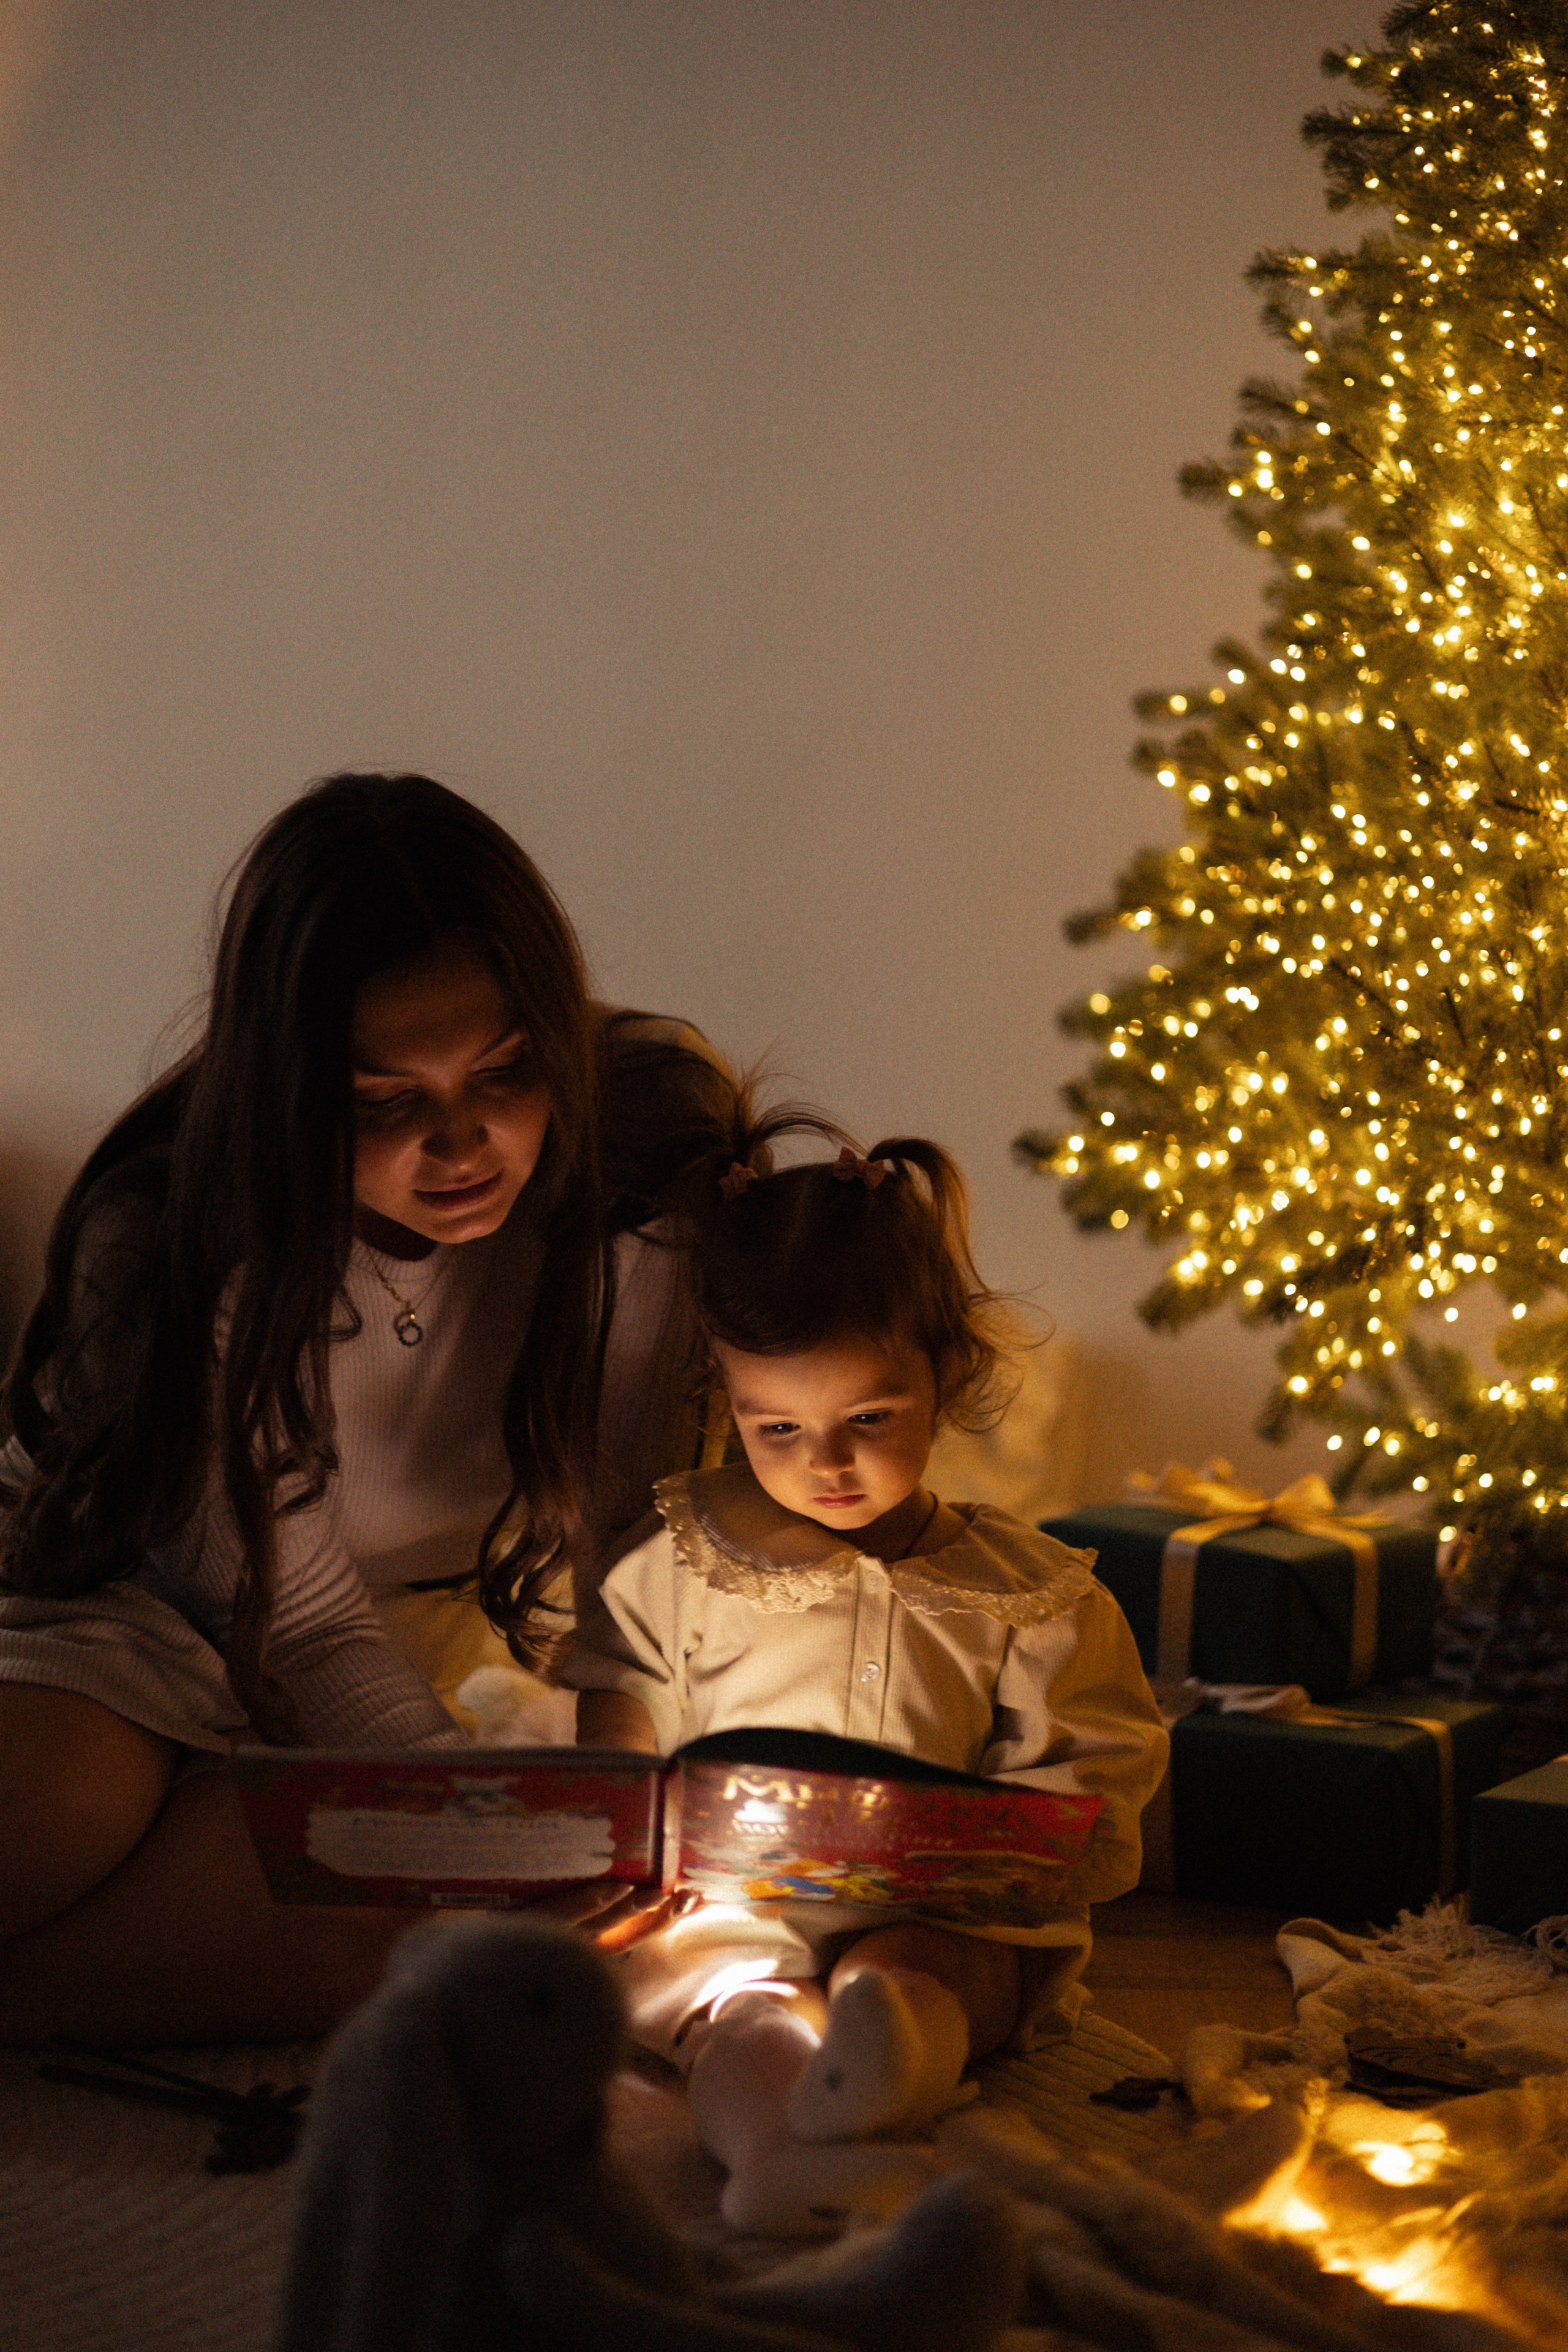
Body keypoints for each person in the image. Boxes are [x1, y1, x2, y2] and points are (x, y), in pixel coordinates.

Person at [0, 772, 730, 2044]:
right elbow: (303, 1619)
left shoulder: (642, 1166)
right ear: (287, 1095)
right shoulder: (173, 1229)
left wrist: (619, 1796)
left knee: (419, 1931)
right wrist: (460, 1812)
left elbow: (637, 1538)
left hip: (394, 1626)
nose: (463, 1145)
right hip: (115, 1592)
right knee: (46, 1819)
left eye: (505, 1072)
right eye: (384, 1103)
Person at [565, 1101, 1169, 2232]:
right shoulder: (689, 1556)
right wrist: (626, 1800)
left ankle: (872, 2084)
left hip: (939, 1916)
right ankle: (772, 2158)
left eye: (868, 1418)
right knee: (739, 2007)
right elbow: (620, 1683)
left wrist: (1020, 1838)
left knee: (918, 1977)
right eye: (774, 1429)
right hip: (737, 1913)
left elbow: (1097, 1770)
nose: (824, 1463)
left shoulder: (1030, 1594)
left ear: (946, 1373)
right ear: (727, 1397)